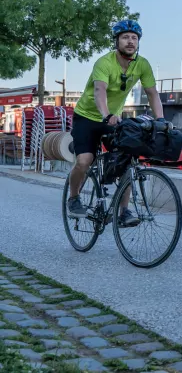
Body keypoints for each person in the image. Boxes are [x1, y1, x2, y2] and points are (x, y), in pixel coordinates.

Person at [66, 20, 165, 227]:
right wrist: (106, 114)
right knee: (84, 161)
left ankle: (124, 212)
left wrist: (161, 121)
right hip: (87, 117)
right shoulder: (104, 63)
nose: (130, 41)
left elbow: (152, 94)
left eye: (134, 38)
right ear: (117, 41)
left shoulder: (142, 64)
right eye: (125, 37)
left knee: (127, 161)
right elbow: (100, 91)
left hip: (114, 119)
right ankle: (74, 198)